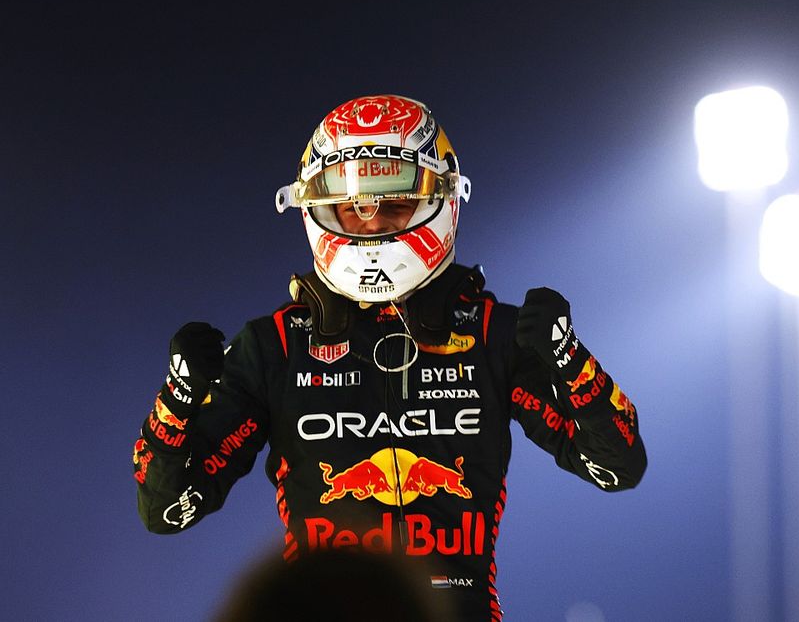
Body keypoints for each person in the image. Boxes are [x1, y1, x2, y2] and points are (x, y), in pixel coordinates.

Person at [134, 94, 646, 620]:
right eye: (354, 207)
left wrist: (569, 359)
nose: (373, 223)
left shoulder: (496, 334)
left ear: (440, 200)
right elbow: (164, 512)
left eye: (395, 201)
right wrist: (177, 398)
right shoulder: (275, 346)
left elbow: (619, 465)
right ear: (316, 208)